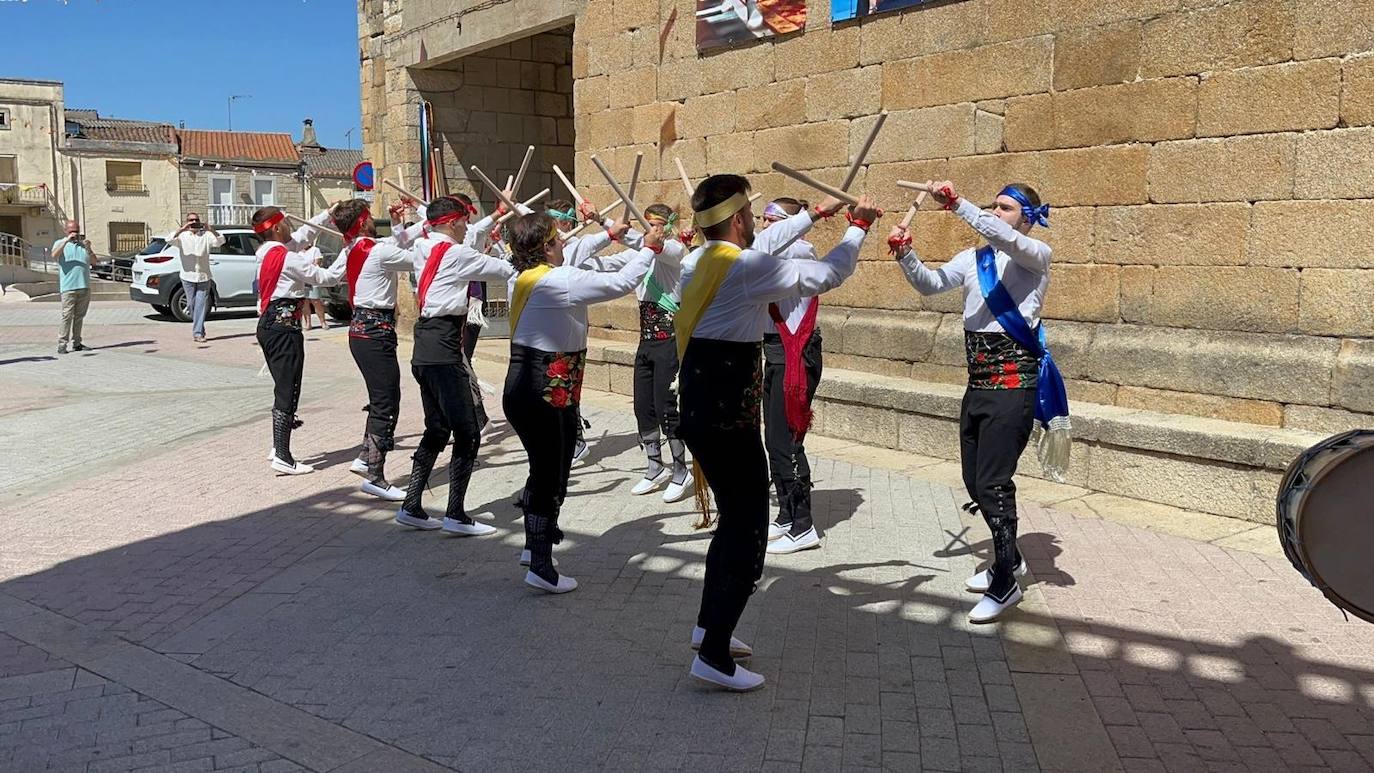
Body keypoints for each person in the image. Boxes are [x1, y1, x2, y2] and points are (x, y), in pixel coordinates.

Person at [675, 174, 875, 691]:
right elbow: (825, 274)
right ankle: (715, 653)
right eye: (750, 218)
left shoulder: (701, 260)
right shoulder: (741, 269)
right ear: (739, 218)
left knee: (732, 522)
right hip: (728, 416)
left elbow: (759, 248)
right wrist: (856, 229)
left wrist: (817, 214)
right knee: (747, 528)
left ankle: (708, 628)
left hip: (702, 407)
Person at [888, 180, 1056, 624]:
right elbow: (931, 284)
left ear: (1026, 216)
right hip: (979, 383)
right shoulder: (973, 259)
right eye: (993, 206)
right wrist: (906, 255)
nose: (996, 213)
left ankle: (1005, 585)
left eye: (1005, 207)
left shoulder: (1036, 256)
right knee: (972, 478)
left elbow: (1004, 237)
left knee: (994, 483)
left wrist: (959, 204)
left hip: (1013, 384)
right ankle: (1011, 559)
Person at [503, 211, 659, 594]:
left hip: (533, 386)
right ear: (546, 247)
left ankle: (534, 546)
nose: (565, 243)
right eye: (558, 239)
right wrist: (650, 249)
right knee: (549, 475)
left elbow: (576, 254)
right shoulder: (560, 280)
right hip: (545, 389)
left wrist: (608, 235)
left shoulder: (522, 277)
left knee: (548, 469)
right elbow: (623, 281)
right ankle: (540, 565)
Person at [392, 194, 515, 535]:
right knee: (467, 432)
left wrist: (490, 230)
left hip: (424, 346)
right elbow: (505, 270)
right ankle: (455, 514)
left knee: (436, 428)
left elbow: (415, 237)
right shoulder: (457, 254)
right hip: (445, 349)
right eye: (463, 221)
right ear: (450, 222)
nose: (466, 227)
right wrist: (510, 250)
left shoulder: (423, 247)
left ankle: (412, 505)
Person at [323, 198, 429, 501]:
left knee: (381, 397)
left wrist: (402, 226)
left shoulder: (354, 249)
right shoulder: (378, 251)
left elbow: (391, 249)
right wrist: (431, 229)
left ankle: (364, 456)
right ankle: (375, 475)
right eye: (369, 217)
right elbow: (412, 259)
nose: (373, 220)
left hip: (360, 332)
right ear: (361, 223)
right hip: (375, 332)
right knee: (386, 400)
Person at [757, 197, 826, 555]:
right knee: (775, 440)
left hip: (794, 354)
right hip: (775, 352)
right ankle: (786, 514)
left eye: (770, 220)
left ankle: (804, 526)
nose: (764, 226)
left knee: (788, 442)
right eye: (762, 219)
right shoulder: (777, 250)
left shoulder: (798, 252)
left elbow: (761, 254)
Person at [252, 205, 338, 475]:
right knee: (288, 389)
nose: (290, 227)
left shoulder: (267, 252)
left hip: (269, 325)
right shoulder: (288, 259)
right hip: (283, 327)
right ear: (277, 228)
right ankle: (283, 455)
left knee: (284, 386)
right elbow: (327, 278)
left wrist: (326, 214)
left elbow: (302, 235)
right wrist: (350, 252)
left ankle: (279, 444)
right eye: (285, 223)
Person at [625, 203, 694, 503]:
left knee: (667, 406)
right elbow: (623, 249)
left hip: (669, 340)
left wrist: (655, 240)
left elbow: (663, 248)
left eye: (656, 224)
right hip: (646, 340)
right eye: (646, 223)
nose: (651, 229)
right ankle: (654, 466)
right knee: (643, 406)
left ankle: (681, 470)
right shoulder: (641, 253)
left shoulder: (674, 250)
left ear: (667, 226)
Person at [164, 212, 225, 342]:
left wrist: (212, 230)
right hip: (188, 276)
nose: (194, 222)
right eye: (191, 220)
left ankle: (198, 333)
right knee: (191, 305)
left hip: (204, 276)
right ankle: (200, 328)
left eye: (196, 220)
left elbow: (221, 241)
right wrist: (182, 229)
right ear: (187, 221)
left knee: (201, 305)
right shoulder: (182, 237)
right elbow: (168, 239)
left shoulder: (206, 235)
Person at [53, 221, 94, 354]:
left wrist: (88, 248)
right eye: (71, 231)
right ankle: (62, 344)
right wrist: (66, 241)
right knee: (67, 316)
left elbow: (94, 261)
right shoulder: (60, 243)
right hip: (68, 287)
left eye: (76, 231)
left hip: (84, 286)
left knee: (79, 317)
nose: (74, 234)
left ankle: (77, 342)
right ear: (66, 231)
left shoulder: (83, 246)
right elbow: (54, 255)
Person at [302, 240, 330, 331]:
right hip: (302, 279)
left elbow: (317, 263)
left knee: (316, 301)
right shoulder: (298, 251)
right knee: (304, 302)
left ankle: (323, 322)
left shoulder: (315, 250)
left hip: (312, 278)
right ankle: (308, 323)